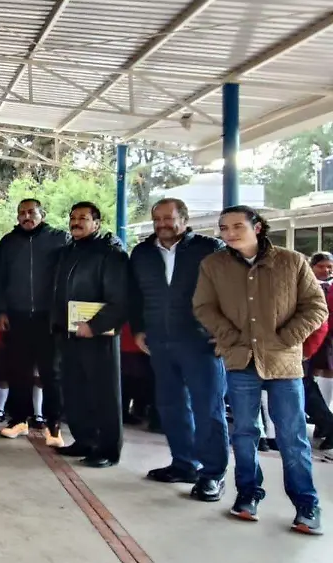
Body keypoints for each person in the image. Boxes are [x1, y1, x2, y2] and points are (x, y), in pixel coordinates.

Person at [194, 206, 327, 534]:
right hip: (240, 361)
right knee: (244, 433)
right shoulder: (214, 265)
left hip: (283, 364)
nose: (230, 233)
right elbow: (204, 307)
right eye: (224, 228)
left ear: (258, 227)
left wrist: (287, 338)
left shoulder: (292, 261)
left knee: (292, 436)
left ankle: (306, 504)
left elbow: (316, 307)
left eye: (238, 226)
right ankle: (247, 495)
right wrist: (229, 337)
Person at [128, 197, 229, 499]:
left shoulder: (210, 249)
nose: (162, 224)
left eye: (168, 218)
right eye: (157, 219)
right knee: (170, 405)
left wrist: (226, 332)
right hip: (159, 341)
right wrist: (138, 330)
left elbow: (232, 292)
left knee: (208, 408)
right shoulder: (142, 253)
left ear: (184, 219)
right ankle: (184, 464)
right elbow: (136, 296)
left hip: (200, 341)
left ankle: (213, 474)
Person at [52, 202, 129, 469]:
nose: (76, 222)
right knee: (74, 391)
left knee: (103, 393)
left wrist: (94, 326)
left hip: (99, 337)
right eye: (73, 217)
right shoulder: (67, 252)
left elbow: (119, 299)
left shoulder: (110, 253)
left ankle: (108, 448)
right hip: (69, 333)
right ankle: (84, 440)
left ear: (96, 223)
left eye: (83, 218)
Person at [0, 199, 69, 444]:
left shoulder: (60, 239)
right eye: (22, 213)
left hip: (49, 317)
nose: (26, 216)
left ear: (42, 214)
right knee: (18, 371)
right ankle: (18, 420)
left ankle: (53, 424)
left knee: (52, 373)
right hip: (16, 316)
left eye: (31, 212)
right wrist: (1, 311)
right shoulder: (8, 242)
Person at [309, 252, 333, 455]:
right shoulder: (309, 283)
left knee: (307, 388)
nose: (326, 270)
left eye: (329, 267)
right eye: (322, 266)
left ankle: (327, 424)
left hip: (317, 342)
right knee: (308, 387)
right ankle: (325, 424)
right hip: (311, 343)